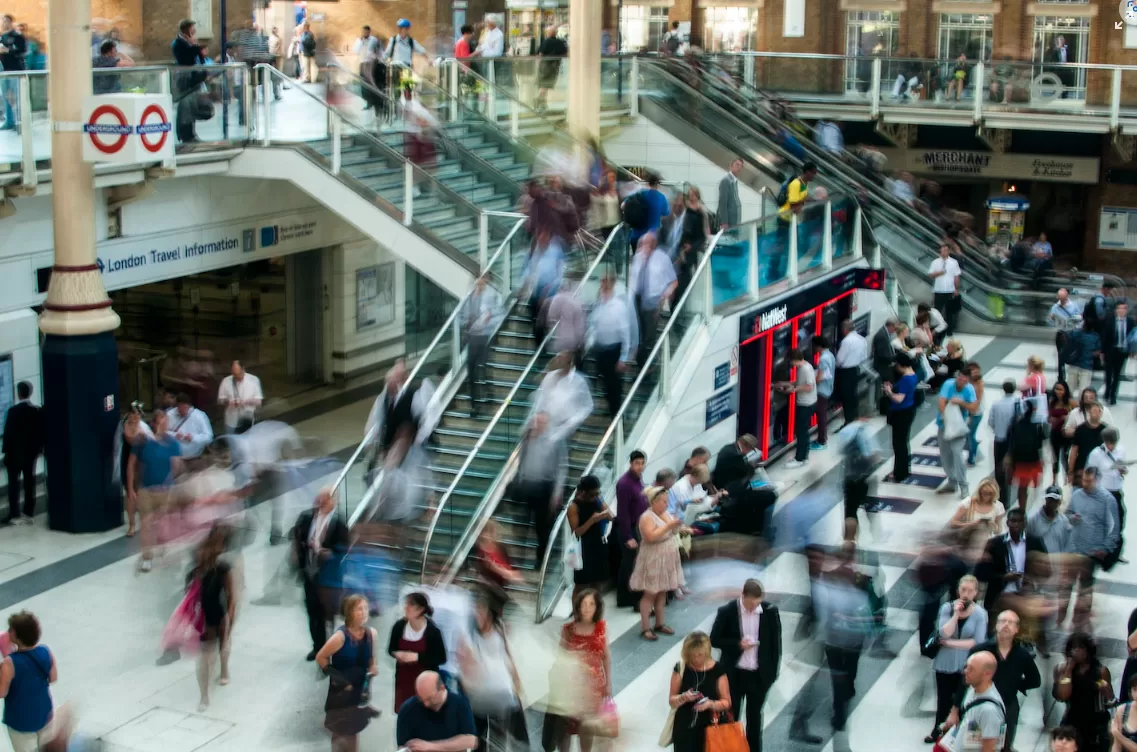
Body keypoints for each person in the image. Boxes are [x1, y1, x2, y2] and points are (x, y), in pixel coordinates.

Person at [709, 579, 781, 752]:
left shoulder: (770, 612)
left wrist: (771, 675)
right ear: (743, 596)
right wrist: (738, 644)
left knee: (755, 720)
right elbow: (714, 639)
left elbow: (775, 646)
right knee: (730, 718)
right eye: (750, 604)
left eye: (757, 604)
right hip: (734, 675)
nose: (753, 608)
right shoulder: (727, 611)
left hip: (758, 676)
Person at [953, 611, 1040, 752]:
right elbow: (964, 680)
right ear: (996, 625)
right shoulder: (980, 650)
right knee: (973, 743)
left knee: (1004, 744)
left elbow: (1035, 680)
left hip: (1008, 704)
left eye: (1011, 623)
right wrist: (955, 709)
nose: (1006, 625)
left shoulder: (1022, 655)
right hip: (980, 702)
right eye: (1003, 621)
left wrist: (1016, 684)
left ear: (1017, 629)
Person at [458, 592, 527, 751]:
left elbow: (508, 657)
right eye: (476, 611)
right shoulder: (469, 634)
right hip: (479, 695)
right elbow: (464, 664)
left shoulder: (500, 630)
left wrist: (517, 684)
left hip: (501, 692)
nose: (478, 615)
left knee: (506, 737)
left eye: (481, 611)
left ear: (489, 613)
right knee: (479, 738)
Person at [929, 574, 988, 744]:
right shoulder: (947, 608)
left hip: (967, 664)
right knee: (943, 699)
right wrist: (955, 615)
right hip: (944, 662)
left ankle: (957, 735)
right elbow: (943, 632)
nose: (966, 594)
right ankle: (937, 731)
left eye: (970, 591)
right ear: (958, 590)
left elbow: (977, 642)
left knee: (962, 701)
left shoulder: (980, 614)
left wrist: (949, 643)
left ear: (975, 593)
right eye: (963, 589)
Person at [551, 589, 612, 752]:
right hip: (571, 686)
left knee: (587, 727)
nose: (587, 608)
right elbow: (560, 657)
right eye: (584, 604)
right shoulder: (568, 629)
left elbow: (606, 656)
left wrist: (608, 683)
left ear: (597, 607)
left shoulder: (601, 627)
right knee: (565, 728)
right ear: (577, 607)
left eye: (591, 604)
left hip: (593, 689)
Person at [293, 489, 350, 661]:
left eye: (325, 499)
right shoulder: (306, 518)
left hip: (328, 578)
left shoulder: (338, 523)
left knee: (329, 614)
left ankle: (332, 647)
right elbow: (297, 537)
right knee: (312, 611)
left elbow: (345, 549)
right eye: (319, 498)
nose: (320, 502)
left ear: (333, 501)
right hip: (310, 573)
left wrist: (330, 553)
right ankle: (317, 646)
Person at [316, 594, 378, 752]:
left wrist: (372, 667)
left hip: (359, 692)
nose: (364, 612)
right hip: (341, 694)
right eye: (359, 609)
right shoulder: (340, 637)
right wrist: (340, 680)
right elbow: (321, 657)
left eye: (365, 608)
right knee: (340, 733)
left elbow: (372, 659)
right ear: (349, 612)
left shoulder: (371, 634)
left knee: (354, 731)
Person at [127, 410, 183, 571]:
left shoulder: (173, 444)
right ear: (154, 424)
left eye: (164, 423)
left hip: (166, 490)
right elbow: (131, 464)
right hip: (146, 490)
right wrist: (131, 488)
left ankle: (164, 549)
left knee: (165, 524)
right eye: (159, 423)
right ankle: (147, 557)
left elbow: (177, 467)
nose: (162, 426)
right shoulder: (142, 442)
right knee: (146, 524)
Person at [1067, 467, 1120, 632]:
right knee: (1067, 584)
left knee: (1085, 586)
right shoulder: (1076, 495)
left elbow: (1114, 527)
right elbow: (1067, 513)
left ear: (1097, 480)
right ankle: (1067, 615)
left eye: (1089, 481)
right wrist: (1071, 517)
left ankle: (1080, 620)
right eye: (1084, 480)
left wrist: (1106, 548)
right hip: (1075, 549)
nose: (1085, 484)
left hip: (1092, 552)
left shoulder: (1107, 500)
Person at [630, 486, 685, 641]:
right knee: (650, 593)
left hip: (666, 555)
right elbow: (650, 537)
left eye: (667, 502)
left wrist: (677, 526)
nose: (666, 505)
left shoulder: (665, 513)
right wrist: (669, 526)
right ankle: (645, 627)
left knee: (662, 591)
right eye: (663, 502)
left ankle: (659, 623)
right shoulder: (646, 517)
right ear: (653, 502)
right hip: (653, 557)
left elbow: (673, 530)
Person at [192, 525, 237, 712]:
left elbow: (231, 595)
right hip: (204, 614)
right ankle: (204, 695)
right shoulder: (198, 567)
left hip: (219, 613)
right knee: (204, 655)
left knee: (223, 645)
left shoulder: (223, 567)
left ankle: (224, 668)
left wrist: (230, 618)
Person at [0, 611, 55, 752]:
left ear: (17, 636)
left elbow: (1, 692)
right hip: (44, 714)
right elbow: (53, 678)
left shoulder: (9, 663)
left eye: (10, 630)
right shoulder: (45, 651)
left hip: (20, 720)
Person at [668, 631, 731, 752]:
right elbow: (672, 701)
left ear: (707, 652)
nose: (696, 659)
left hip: (710, 725)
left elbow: (726, 702)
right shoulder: (680, 668)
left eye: (700, 655)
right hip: (684, 726)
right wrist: (683, 697)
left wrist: (710, 704)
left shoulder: (718, 670)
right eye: (693, 655)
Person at [976, 508, 1047, 614]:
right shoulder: (995, 544)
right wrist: (1003, 577)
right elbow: (980, 573)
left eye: (1020, 521)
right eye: (1013, 521)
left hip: (1027, 597)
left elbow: (1046, 568)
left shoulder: (1035, 543)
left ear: (1025, 523)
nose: (1016, 524)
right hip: (1000, 597)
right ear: (1007, 523)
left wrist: (1032, 581)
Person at [387, 592, 446, 714]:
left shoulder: (432, 631)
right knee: (405, 714)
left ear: (420, 609)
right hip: (403, 681)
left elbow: (441, 658)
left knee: (423, 715)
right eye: (406, 604)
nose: (406, 607)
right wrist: (396, 654)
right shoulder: (399, 626)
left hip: (425, 684)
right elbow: (391, 648)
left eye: (410, 604)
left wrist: (417, 657)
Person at [1054, 632, 1113, 752]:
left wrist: (1105, 689)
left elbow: (1110, 699)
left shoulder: (1100, 671)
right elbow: (1063, 695)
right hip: (1073, 718)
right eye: (1073, 648)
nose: (1076, 651)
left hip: (1095, 721)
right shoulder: (1062, 669)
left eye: (1080, 648)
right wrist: (1069, 670)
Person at [938, 651, 1006, 752]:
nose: (965, 671)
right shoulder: (972, 688)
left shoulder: (989, 711)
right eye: (966, 667)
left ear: (987, 674)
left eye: (971, 669)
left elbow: (989, 749)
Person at [589, 271, 634, 417]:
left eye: (605, 282)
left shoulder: (619, 306)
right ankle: (610, 407)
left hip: (614, 349)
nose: (602, 285)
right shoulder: (599, 303)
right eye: (602, 282)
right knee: (604, 381)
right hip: (600, 348)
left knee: (614, 383)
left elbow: (625, 332)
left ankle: (616, 412)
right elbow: (593, 323)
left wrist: (623, 357)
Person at [396, 671, 478, 751]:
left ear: (442, 688)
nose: (426, 704)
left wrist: (430, 746)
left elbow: (471, 741)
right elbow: (402, 746)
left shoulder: (460, 702)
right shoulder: (407, 709)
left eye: (429, 698)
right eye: (421, 698)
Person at [629, 233, 678, 364]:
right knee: (639, 333)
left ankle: (647, 365)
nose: (644, 247)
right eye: (642, 244)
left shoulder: (663, 259)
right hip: (637, 299)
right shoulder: (637, 258)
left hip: (654, 301)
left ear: (654, 245)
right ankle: (643, 362)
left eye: (647, 244)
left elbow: (673, 282)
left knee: (648, 336)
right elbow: (633, 279)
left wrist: (664, 297)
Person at [2, 382, 42, 527]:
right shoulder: (36, 411)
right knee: (29, 482)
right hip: (30, 454)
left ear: (19, 393)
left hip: (14, 455)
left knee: (14, 484)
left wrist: (5, 453)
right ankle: (29, 512)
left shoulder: (13, 411)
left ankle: (14, 514)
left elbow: (8, 434)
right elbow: (40, 433)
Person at [463, 274, 502, 416]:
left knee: (484, 368)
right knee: (472, 371)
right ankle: (475, 405)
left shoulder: (492, 294)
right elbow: (464, 315)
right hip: (473, 337)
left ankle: (489, 395)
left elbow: (499, 314)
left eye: (483, 279)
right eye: (478, 280)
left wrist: (487, 322)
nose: (479, 283)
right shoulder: (470, 296)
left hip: (485, 336)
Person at [569, 475, 612, 600]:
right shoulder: (574, 507)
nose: (595, 496)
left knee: (596, 583)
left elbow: (611, 517)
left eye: (597, 493)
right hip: (583, 548)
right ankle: (578, 615)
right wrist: (591, 520)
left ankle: (594, 615)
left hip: (597, 545)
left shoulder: (597, 501)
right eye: (593, 494)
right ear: (583, 492)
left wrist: (602, 504)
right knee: (580, 585)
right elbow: (576, 533)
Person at [938, 368, 978, 499]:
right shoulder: (948, 384)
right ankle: (951, 481)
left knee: (957, 453)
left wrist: (960, 402)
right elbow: (941, 402)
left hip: (959, 427)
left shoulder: (969, 389)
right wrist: (946, 417)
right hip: (944, 425)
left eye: (964, 380)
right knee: (945, 454)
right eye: (959, 378)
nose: (960, 381)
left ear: (967, 381)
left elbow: (973, 407)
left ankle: (963, 485)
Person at [615, 450, 647, 609]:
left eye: (642, 463)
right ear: (631, 463)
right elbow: (623, 513)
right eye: (637, 463)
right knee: (628, 564)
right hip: (629, 528)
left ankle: (630, 595)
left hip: (638, 527)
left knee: (634, 563)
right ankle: (624, 597)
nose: (640, 467)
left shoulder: (638, 480)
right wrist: (628, 536)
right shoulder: (625, 483)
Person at [883, 352, 918, 483]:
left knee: (898, 444)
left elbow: (899, 399)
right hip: (909, 411)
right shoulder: (913, 374)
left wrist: (889, 392)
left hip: (901, 413)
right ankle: (903, 469)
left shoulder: (906, 379)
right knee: (903, 442)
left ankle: (899, 472)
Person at [171, 19, 207, 145]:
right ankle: (184, 134)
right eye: (192, 29)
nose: (194, 31)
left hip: (194, 78)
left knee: (191, 106)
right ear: (186, 29)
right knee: (185, 106)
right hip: (185, 79)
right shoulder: (178, 43)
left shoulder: (190, 42)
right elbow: (184, 58)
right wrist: (196, 48)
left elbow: (199, 57)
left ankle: (191, 133)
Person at [1008, 398, 1046, 511]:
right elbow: (1040, 443)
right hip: (1033, 460)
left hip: (1020, 461)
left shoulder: (1015, 425)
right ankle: (1032, 509)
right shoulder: (1038, 425)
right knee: (1035, 486)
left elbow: (1011, 444)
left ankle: (1022, 509)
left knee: (1022, 487)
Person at [988, 380, 1022, 504]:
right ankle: (1010, 489)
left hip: (999, 439)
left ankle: (1001, 497)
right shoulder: (1018, 403)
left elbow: (991, 421)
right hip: (1014, 441)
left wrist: (998, 429)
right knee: (1012, 466)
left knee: (998, 468)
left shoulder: (996, 404)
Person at [782, 348, 816, 470]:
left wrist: (794, 390)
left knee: (801, 432)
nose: (791, 365)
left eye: (791, 362)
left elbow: (809, 386)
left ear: (794, 360)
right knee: (803, 432)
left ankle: (799, 459)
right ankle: (804, 457)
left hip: (805, 404)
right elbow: (800, 382)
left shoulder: (805, 369)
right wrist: (788, 383)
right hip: (808, 403)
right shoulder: (805, 367)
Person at [834, 319, 869, 427]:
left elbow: (839, 359)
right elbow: (864, 356)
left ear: (845, 329)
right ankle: (855, 416)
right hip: (856, 370)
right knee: (853, 395)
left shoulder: (846, 341)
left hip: (845, 372)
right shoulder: (861, 339)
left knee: (846, 397)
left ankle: (848, 420)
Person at [217, 361, 263, 434]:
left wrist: (246, 402)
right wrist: (229, 402)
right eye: (234, 374)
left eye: (238, 374)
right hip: (231, 420)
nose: (237, 377)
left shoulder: (254, 380)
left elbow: (259, 402)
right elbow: (220, 400)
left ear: (243, 369)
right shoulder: (226, 381)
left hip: (248, 419)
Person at [1068, 402, 1107, 488]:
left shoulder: (1105, 430)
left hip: (1099, 469)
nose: (1098, 413)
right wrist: (1071, 471)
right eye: (1095, 411)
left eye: (1100, 411)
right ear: (1089, 412)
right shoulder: (1081, 429)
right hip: (1082, 466)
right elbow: (1074, 450)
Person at [166, 392, 213, 461]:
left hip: (193, 455)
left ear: (189, 406)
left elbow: (209, 437)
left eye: (184, 407)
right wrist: (174, 435)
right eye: (180, 407)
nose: (182, 410)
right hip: (174, 456)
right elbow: (162, 433)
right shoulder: (170, 414)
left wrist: (193, 437)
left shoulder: (199, 415)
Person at [0, 15, 28, 130]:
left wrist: (8, 50)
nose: (4, 23)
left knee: (17, 97)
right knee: (6, 97)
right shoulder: (1, 37)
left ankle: (20, 121)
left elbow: (23, 50)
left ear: (11, 22)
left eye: (6, 21)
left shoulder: (17, 36)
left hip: (15, 69)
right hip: (3, 70)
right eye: (2, 21)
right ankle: (9, 121)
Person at [1104, 302, 1133, 406]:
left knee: (1117, 375)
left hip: (1122, 351)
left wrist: (1131, 350)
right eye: (1119, 308)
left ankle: (1113, 395)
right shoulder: (1110, 321)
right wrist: (1102, 351)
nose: (1121, 311)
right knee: (1108, 374)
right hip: (1110, 351)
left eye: (1124, 309)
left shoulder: (1130, 322)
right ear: (1116, 310)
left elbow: (1132, 337)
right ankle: (1107, 391)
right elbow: (1104, 337)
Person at [1063, 319, 1101, 399]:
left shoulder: (1075, 333)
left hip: (1073, 363)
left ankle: (1068, 405)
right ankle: (1081, 407)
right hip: (1087, 365)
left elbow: (1066, 341)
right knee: (1083, 389)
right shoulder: (1095, 337)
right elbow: (1097, 352)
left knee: (1070, 387)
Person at [930, 244, 962, 336]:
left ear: (948, 251)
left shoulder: (954, 262)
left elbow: (956, 276)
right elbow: (931, 274)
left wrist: (956, 288)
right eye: (942, 250)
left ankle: (949, 331)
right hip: (938, 290)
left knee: (949, 312)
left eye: (946, 250)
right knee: (937, 311)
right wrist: (939, 273)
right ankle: (937, 330)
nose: (944, 252)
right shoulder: (935, 262)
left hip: (949, 290)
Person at [1050, 289, 1082, 383]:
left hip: (1070, 333)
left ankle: (1075, 375)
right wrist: (1053, 317)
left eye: (1063, 299)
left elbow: (1079, 317)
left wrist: (1072, 320)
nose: (1061, 301)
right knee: (1060, 355)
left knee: (1071, 354)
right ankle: (1061, 376)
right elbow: (1051, 318)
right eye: (1060, 298)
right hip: (1060, 332)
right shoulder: (1055, 306)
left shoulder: (1073, 306)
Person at [1049, 382, 1077, 485]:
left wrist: (1068, 418)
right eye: (1056, 389)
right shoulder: (1052, 402)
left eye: (1061, 389)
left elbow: (1078, 415)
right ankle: (1054, 480)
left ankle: (1067, 479)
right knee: (1054, 457)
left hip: (1066, 434)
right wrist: (1051, 420)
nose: (1058, 392)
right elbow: (1048, 416)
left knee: (1065, 457)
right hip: (1055, 432)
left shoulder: (1071, 403)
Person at [535, 26, 567, 111]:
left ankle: (540, 102)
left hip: (545, 66)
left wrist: (538, 64)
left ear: (549, 33)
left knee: (543, 85)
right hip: (555, 66)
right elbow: (565, 53)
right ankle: (543, 103)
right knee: (547, 85)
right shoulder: (559, 42)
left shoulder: (546, 41)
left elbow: (540, 54)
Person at [812, 335, 836, 450]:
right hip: (828, 389)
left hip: (821, 391)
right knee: (822, 415)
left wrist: (811, 382)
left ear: (818, 346)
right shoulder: (830, 355)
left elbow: (820, 377)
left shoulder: (823, 359)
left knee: (821, 416)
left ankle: (822, 441)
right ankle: (822, 438)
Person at [717, 158, 744, 231]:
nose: (739, 167)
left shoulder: (734, 181)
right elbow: (723, 203)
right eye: (737, 165)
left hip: (735, 221)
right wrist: (724, 222)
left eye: (741, 166)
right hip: (729, 222)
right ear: (731, 166)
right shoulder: (726, 180)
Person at [1111, 677, 1137, 752]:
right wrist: (1116, 736)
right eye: (1135, 689)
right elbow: (1117, 745)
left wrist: (1117, 735)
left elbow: (1117, 735)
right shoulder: (1122, 710)